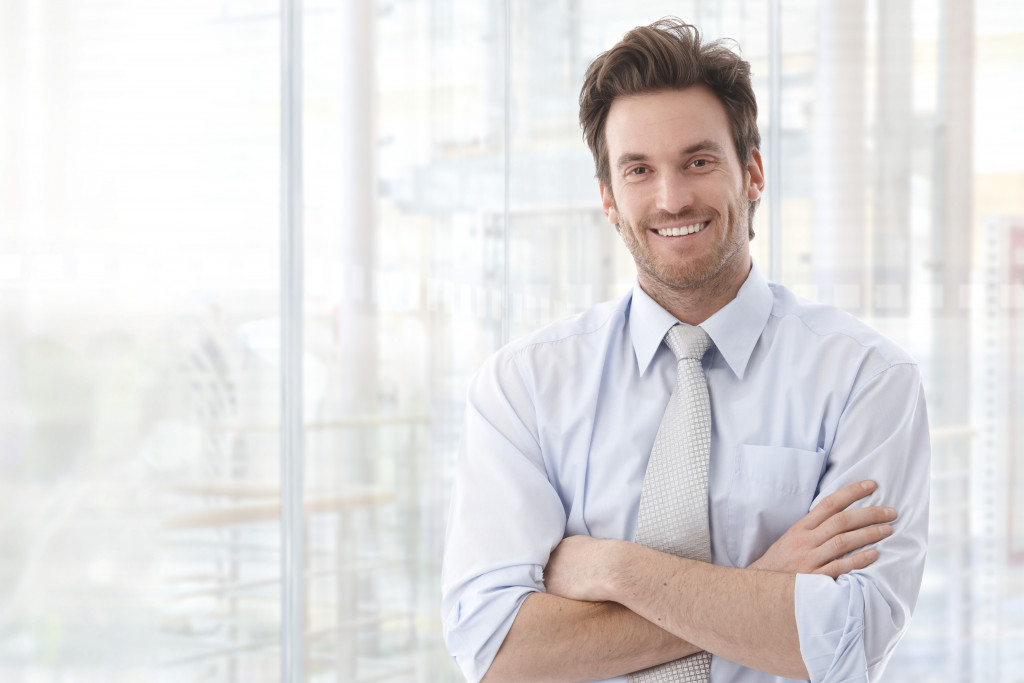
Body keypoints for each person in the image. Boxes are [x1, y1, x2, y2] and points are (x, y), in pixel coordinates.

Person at [441, 18, 929, 683]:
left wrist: (618, 569)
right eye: (639, 170)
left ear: (751, 172)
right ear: (609, 199)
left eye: (698, 161)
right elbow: (498, 650)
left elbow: (848, 642)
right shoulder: (525, 386)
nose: (671, 198)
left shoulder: (865, 380)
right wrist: (760, 585)